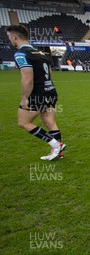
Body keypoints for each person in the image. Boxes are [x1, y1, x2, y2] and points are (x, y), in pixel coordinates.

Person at [6, 25, 65, 161]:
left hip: (37, 94)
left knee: (24, 122)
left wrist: (25, 98)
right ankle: (57, 153)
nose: (10, 40)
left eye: (10, 37)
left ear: (14, 37)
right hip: (50, 90)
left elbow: (27, 78)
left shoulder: (21, 54)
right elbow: (50, 74)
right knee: (49, 121)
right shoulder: (41, 53)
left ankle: (56, 145)